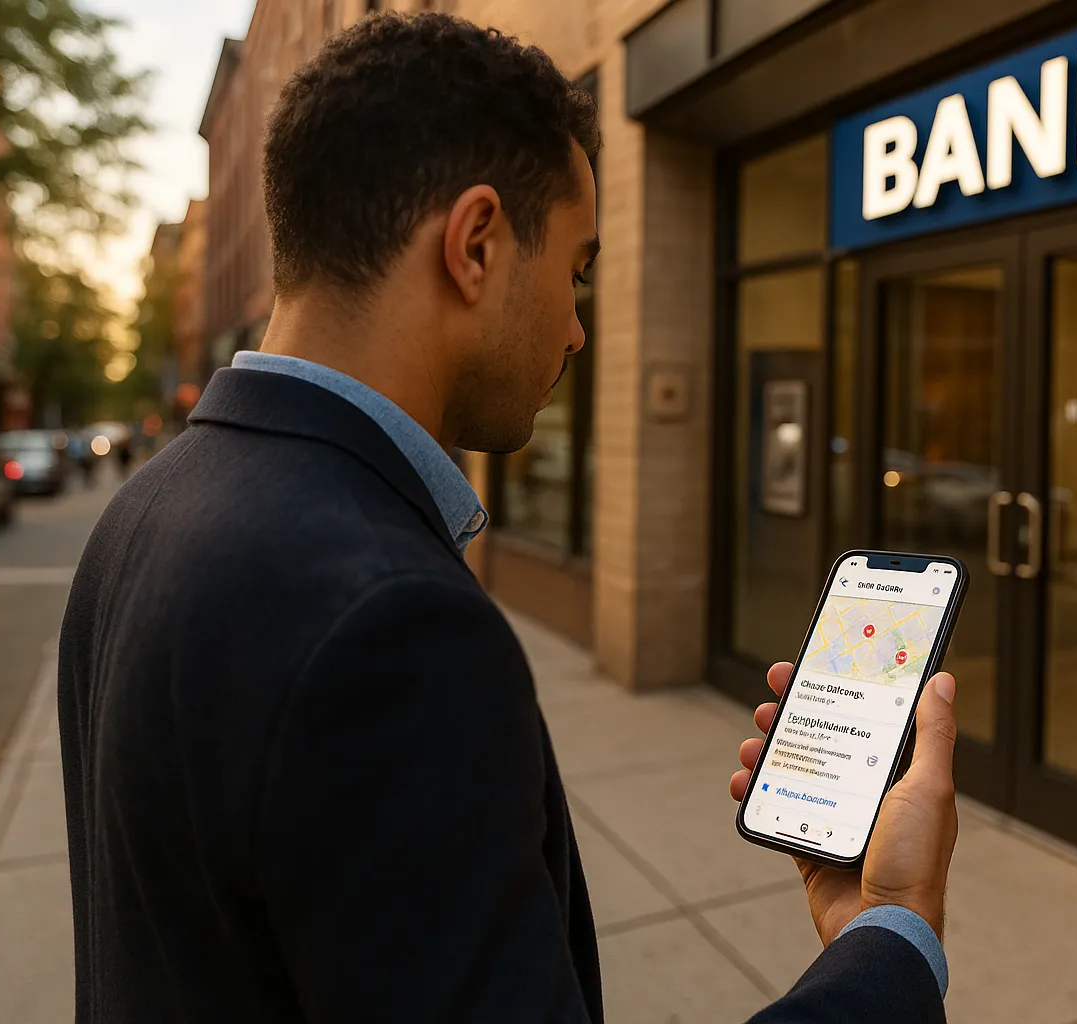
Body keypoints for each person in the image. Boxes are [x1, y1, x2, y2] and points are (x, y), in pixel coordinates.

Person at [57, 13, 959, 1023]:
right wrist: (893, 930)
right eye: (576, 269)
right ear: (476, 241)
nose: (579, 328)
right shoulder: (388, 624)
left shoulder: (142, 513)